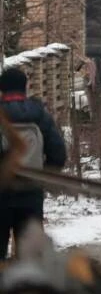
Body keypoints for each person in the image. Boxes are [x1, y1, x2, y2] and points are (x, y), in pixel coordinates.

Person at [0, 68, 67, 259]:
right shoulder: (40, 115)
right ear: (26, 87)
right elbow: (58, 153)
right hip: (31, 193)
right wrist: (42, 176)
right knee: (30, 258)